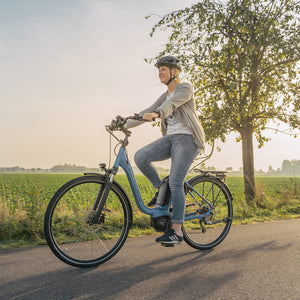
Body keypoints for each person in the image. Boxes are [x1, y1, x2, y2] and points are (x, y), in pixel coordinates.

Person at [125, 56, 205, 245]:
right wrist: (124, 124)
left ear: (174, 72)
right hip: (170, 139)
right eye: (159, 69)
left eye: (163, 69)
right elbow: (148, 110)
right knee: (141, 157)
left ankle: (177, 231)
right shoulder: (164, 95)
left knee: (176, 182)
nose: (159, 72)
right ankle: (161, 188)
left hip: (188, 140)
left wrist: (157, 114)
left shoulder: (185, 88)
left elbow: (169, 106)